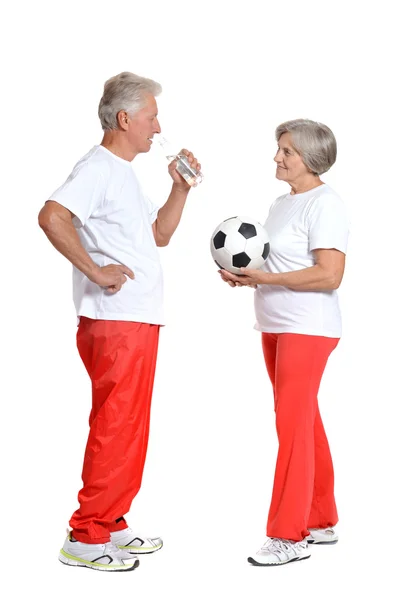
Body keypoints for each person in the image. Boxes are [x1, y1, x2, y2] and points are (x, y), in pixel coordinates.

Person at [38, 72, 201, 572]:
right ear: (125, 118)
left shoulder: (124, 172)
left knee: (128, 426)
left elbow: (159, 235)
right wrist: (95, 270)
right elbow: (51, 216)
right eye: (151, 115)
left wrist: (181, 189)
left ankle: (110, 522)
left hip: (136, 320)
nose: (158, 126)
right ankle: (86, 536)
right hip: (116, 321)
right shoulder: (98, 168)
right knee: (116, 426)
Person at [220, 119, 349, 566]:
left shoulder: (325, 204)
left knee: (291, 430)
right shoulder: (281, 204)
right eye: (279, 149)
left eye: (287, 152)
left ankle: (288, 536)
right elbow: (276, 268)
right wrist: (248, 280)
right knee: (303, 422)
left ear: (310, 160)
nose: (277, 157)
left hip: (307, 329)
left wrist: (267, 278)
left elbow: (330, 274)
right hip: (275, 326)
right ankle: (319, 518)